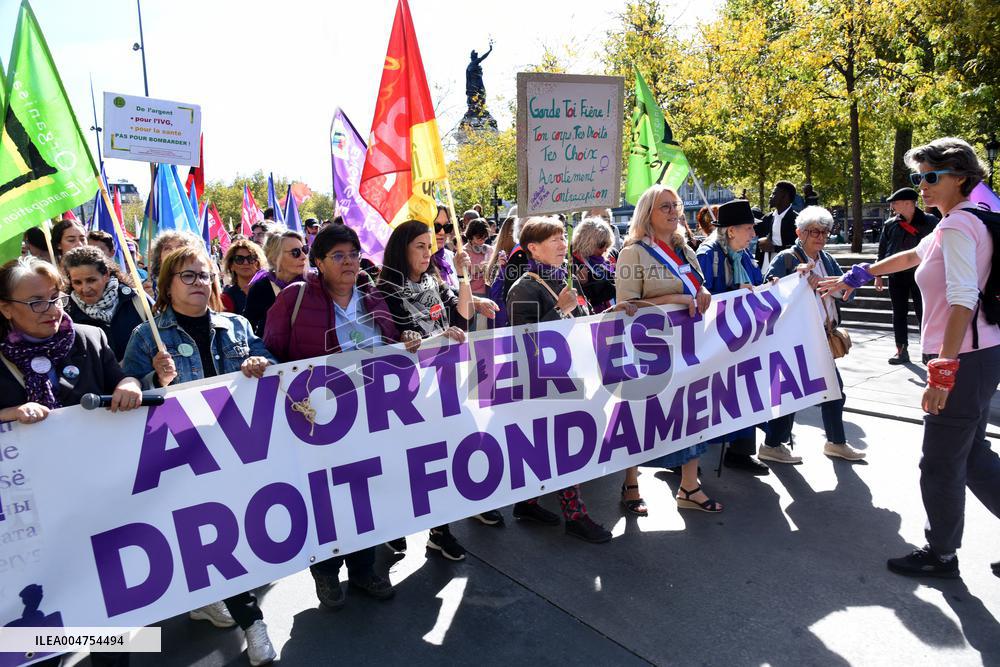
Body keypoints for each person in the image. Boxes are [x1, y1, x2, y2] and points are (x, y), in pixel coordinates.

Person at [820, 138, 1000, 579]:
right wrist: (859, 274)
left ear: (961, 177)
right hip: (983, 353)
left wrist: (943, 368)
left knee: (939, 461)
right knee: (971, 453)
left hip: (963, 356)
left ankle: (940, 554)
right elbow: (912, 256)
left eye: (931, 176)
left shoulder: (958, 226)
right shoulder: (960, 221)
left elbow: (962, 299)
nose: (922, 185)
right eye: (918, 177)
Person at [121, 245, 277, 665]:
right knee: (211, 534)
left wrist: (259, 363)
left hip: (236, 449)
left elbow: (273, 362)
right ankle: (253, 621)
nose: (199, 284)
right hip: (183, 457)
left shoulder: (236, 326)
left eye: (205, 275)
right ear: (166, 285)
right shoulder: (148, 336)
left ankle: (217, 603)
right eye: (187, 276)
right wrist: (154, 378)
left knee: (234, 534)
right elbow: (127, 391)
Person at [264, 223, 398, 608]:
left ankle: (364, 570)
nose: (349, 262)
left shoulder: (374, 297)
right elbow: (271, 350)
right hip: (316, 424)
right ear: (318, 262)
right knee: (325, 501)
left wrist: (409, 344)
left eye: (353, 254)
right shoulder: (296, 298)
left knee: (363, 496)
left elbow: (391, 348)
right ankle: (325, 573)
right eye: (338, 255)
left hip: (369, 419)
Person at [377, 219, 498, 557]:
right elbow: (397, 337)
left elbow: (459, 316)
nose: (427, 251)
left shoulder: (432, 279)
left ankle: (440, 530)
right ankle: (393, 524)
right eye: (419, 245)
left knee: (447, 452)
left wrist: (463, 279)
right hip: (408, 391)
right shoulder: (386, 288)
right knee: (411, 462)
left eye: (429, 245)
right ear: (401, 249)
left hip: (443, 379)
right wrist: (425, 338)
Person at [503, 217, 617, 542]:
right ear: (533, 249)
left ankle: (526, 503)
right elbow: (527, 345)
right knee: (567, 448)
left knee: (551, 449)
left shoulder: (568, 280)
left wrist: (610, 315)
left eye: (562, 238)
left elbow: (583, 323)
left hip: (574, 377)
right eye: (553, 240)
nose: (561, 244)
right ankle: (575, 516)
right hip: (545, 384)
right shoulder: (522, 288)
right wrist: (560, 310)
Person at [615, 185, 720, 515]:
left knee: (692, 413)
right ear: (648, 213)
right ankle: (631, 482)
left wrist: (701, 291)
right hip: (650, 351)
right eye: (665, 207)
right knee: (641, 416)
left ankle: (690, 486)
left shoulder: (684, 247)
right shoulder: (632, 253)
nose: (675, 211)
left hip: (688, 347)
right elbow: (625, 305)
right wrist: (675, 300)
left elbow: (695, 282)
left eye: (675, 206)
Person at [762, 206, 865, 464]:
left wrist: (840, 286)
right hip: (796, 338)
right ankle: (774, 444)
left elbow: (844, 292)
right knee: (796, 393)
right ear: (800, 232)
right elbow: (770, 288)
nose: (820, 236)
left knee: (832, 391)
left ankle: (833, 442)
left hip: (820, 336)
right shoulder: (787, 258)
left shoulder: (827, 259)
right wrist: (797, 280)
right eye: (813, 231)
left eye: (824, 231)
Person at [0, 255, 144, 423]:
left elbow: (120, 379)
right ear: (6, 309)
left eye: (55, 297)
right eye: (36, 302)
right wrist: (9, 414)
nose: (53, 310)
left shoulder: (90, 338)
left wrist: (130, 385)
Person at [696, 199, 769, 474]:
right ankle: (687, 460)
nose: (753, 234)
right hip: (715, 340)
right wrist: (735, 292)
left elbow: (758, 283)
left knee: (745, 389)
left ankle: (740, 451)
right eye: (749, 228)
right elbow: (703, 295)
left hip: (741, 337)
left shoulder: (744, 254)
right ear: (730, 231)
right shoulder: (708, 254)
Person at [876, 187, 938, 364]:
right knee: (899, 314)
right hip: (896, 276)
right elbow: (883, 251)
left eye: (895, 202)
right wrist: (878, 275)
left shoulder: (931, 221)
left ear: (909, 203)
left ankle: (929, 352)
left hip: (923, 275)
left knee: (924, 313)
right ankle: (901, 351)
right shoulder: (890, 224)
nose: (892, 205)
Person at [62, 246, 151, 362]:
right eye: (77, 282)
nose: (85, 289)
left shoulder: (137, 300)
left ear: (106, 275)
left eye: (91, 280)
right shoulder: (66, 315)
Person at [243, 230, 308, 336]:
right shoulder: (260, 288)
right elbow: (248, 330)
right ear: (274, 258)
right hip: (271, 351)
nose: (303, 256)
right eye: (295, 252)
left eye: (304, 250)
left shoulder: (314, 284)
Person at [570, 217, 616, 314]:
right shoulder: (572, 263)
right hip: (592, 318)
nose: (605, 249)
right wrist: (582, 285)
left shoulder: (604, 260)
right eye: (602, 244)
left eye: (607, 245)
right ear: (586, 242)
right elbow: (580, 301)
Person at [755, 181, 799, 267]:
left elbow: (799, 248)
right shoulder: (767, 218)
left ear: (784, 196)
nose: (770, 196)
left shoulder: (797, 220)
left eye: (774, 193)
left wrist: (774, 248)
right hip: (765, 269)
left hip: (787, 270)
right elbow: (750, 230)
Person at [220, 239, 268, 315]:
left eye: (251, 258)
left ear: (258, 264)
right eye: (239, 259)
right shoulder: (226, 298)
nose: (245, 263)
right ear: (231, 266)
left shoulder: (270, 291)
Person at [149, 230, 203, 297]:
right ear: (159, 256)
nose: (174, 251)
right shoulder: (149, 284)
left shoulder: (199, 280)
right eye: (167, 248)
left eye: (180, 247)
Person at [432, 206, 460, 289]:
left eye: (447, 226)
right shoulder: (417, 262)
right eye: (436, 226)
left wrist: (462, 274)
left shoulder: (451, 256)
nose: (442, 232)